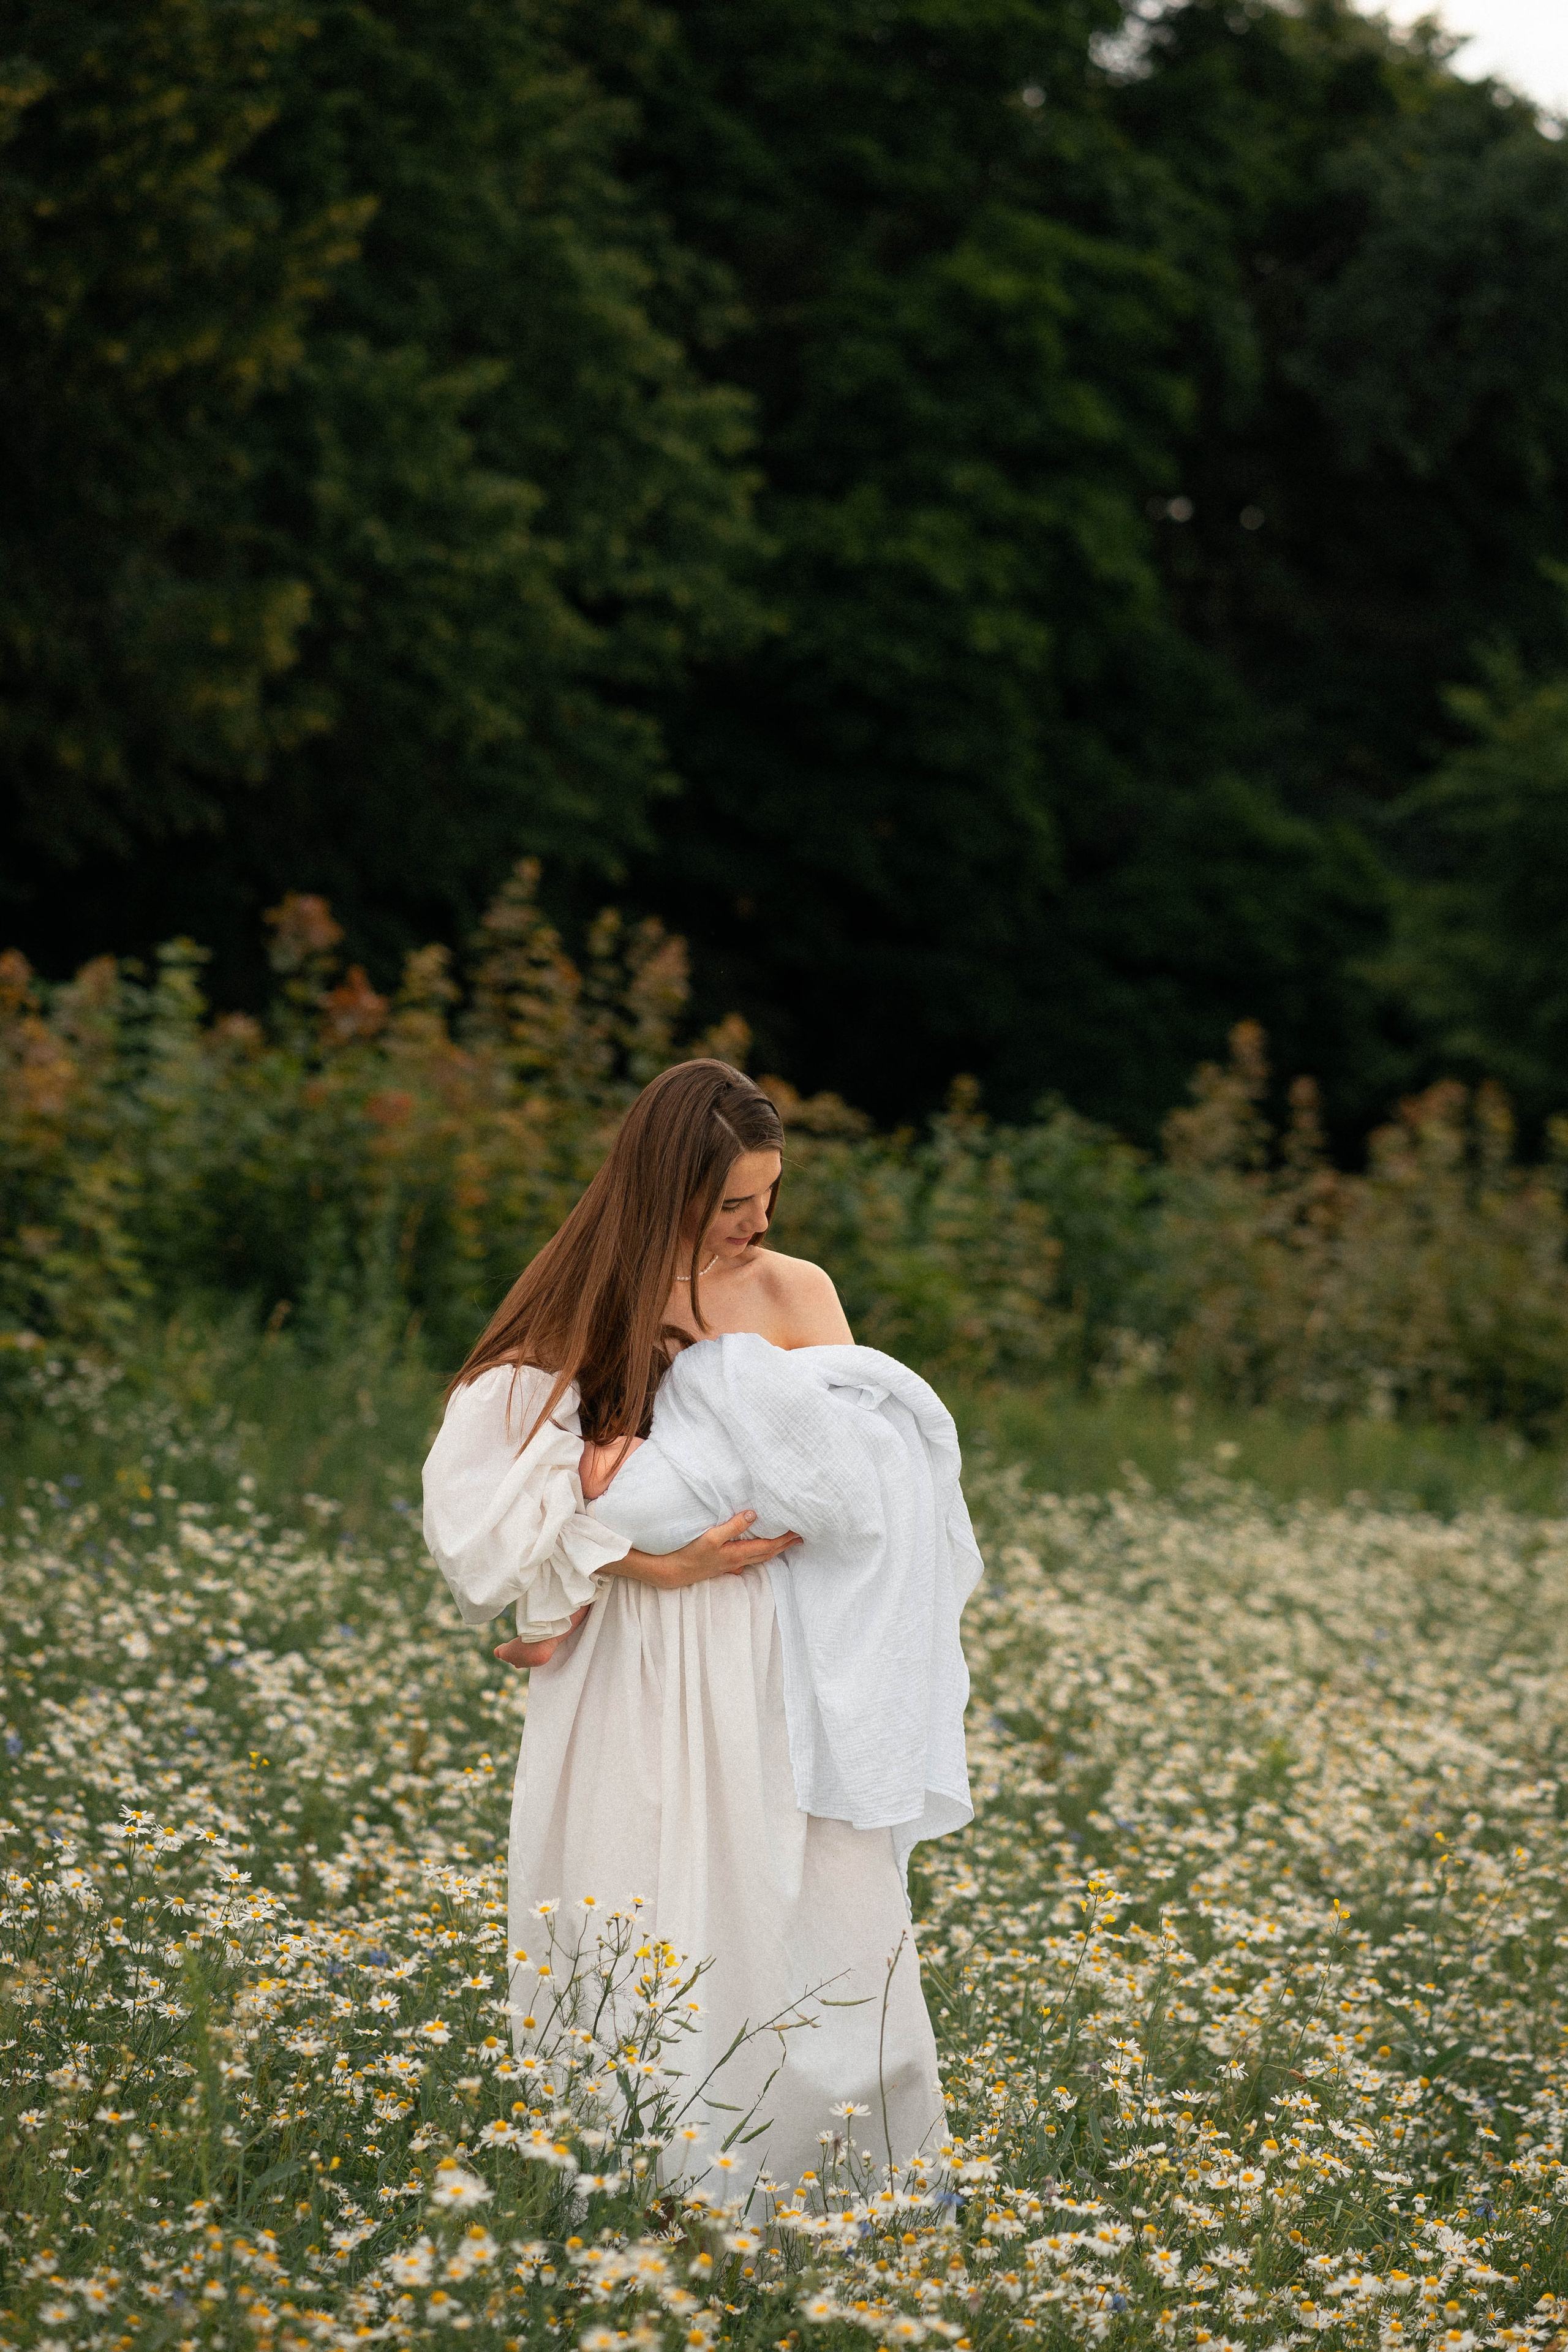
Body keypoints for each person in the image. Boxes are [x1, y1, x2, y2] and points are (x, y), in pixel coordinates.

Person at [422, 1060, 968, 2196]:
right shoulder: (586, 1304)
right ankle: (635, 2188)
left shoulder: (794, 1292)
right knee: (640, 1897)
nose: (756, 1224)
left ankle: (814, 2188)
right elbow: (495, 1507)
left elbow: (846, 1475)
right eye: (731, 1204)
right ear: (665, 1187)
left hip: (777, 1646)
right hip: (639, 1651)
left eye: (769, 1196)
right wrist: (651, 1558)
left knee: (817, 1911)